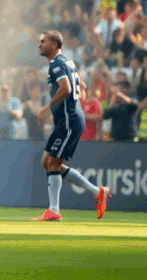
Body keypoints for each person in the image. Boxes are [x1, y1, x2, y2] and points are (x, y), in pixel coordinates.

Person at [35, 31, 110, 222]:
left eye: (43, 42)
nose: (40, 45)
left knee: (53, 163)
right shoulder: (67, 61)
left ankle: (54, 211)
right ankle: (97, 191)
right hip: (66, 120)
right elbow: (80, 83)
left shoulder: (56, 64)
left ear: (54, 44)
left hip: (69, 121)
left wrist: (46, 107)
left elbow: (66, 87)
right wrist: (82, 90)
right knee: (47, 162)